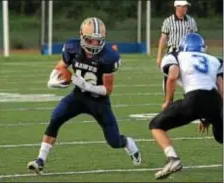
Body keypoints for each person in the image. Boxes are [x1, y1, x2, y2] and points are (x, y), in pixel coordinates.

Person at [27, 17, 141, 174]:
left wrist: (87, 85)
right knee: (55, 118)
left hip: (99, 102)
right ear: (82, 36)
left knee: (114, 141)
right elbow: (61, 66)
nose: (94, 44)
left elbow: (108, 89)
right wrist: (52, 79)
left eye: (98, 41)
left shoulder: (109, 56)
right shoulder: (72, 47)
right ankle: (40, 160)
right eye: (90, 40)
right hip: (78, 96)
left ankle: (128, 143)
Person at [149, 33, 223, 179]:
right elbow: (220, 86)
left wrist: (168, 102)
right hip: (214, 100)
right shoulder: (215, 60)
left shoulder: (176, 56)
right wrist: (209, 115)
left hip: (194, 99)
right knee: (221, 136)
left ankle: (173, 159)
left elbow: (172, 77)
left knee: (156, 125)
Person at [157, 0, 198, 102]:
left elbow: (195, 37)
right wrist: (159, 57)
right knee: (170, 76)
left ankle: (190, 100)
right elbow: (163, 39)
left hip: (187, 53)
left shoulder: (191, 21)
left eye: (186, 6)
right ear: (177, 7)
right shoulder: (168, 21)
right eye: (183, 6)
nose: (185, 8)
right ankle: (168, 101)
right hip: (173, 52)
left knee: (189, 77)